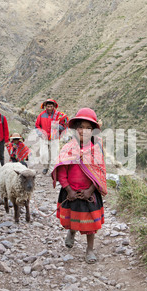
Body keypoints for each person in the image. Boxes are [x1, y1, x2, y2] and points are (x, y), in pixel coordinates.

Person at [51, 108, 107, 264]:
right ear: (76, 129)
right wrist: (68, 190)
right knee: (73, 218)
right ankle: (71, 232)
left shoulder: (96, 150)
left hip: (89, 194)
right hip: (71, 193)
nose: (84, 131)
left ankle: (89, 249)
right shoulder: (68, 149)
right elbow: (62, 172)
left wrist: (90, 191)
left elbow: (99, 173)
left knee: (90, 225)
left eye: (89, 128)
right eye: (81, 127)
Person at [35, 99, 69, 175]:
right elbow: (37, 126)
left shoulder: (59, 115)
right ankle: (46, 167)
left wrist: (57, 126)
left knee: (54, 154)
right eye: (48, 106)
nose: (49, 108)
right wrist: (40, 134)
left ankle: (51, 171)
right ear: (45, 107)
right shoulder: (41, 115)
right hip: (44, 138)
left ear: (54, 106)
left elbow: (64, 126)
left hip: (54, 137)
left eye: (51, 106)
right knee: (44, 154)